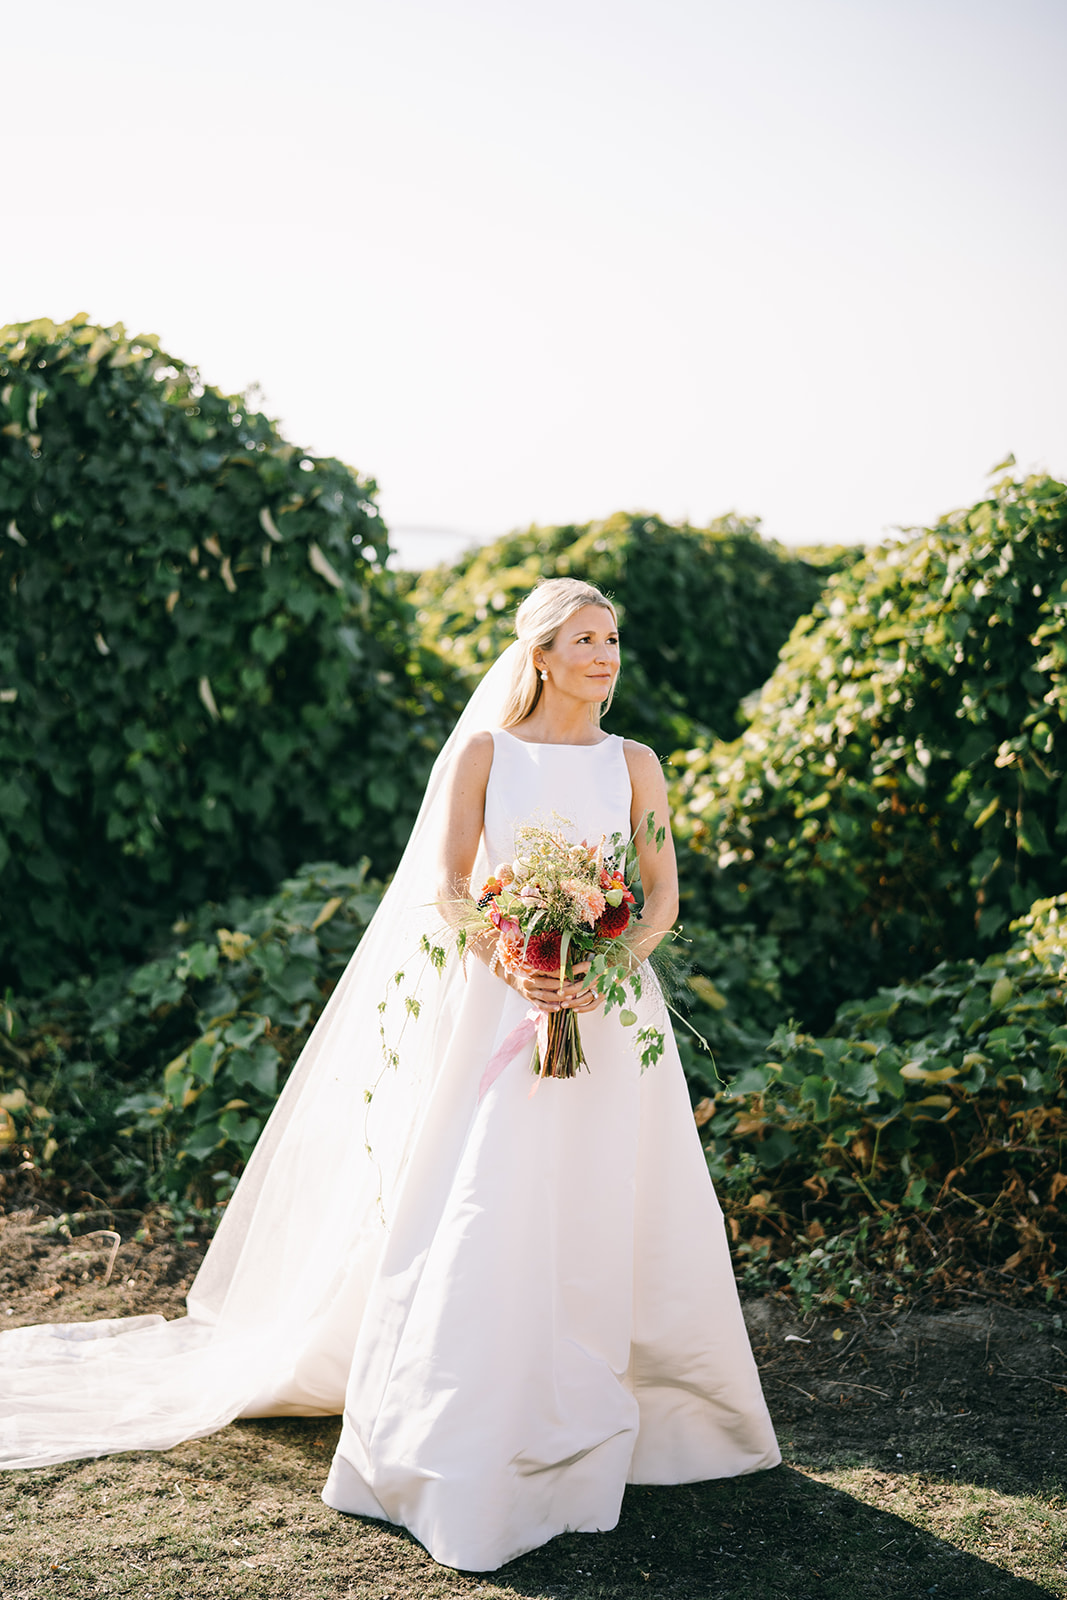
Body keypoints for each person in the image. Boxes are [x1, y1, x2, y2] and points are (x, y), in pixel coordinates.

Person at [1, 577, 779, 1571]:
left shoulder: (637, 766)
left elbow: (660, 894)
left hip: (611, 1018)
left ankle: (642, 1405)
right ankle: (474, 1417)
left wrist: (603, 967)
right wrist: (521, 966)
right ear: (537, 654)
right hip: (502, 1008)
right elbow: (452, 889)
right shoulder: (483, 754)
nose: (604, 656)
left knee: (613, 1199)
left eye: (612, 639)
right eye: (584, 639)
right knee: (490, 1202)